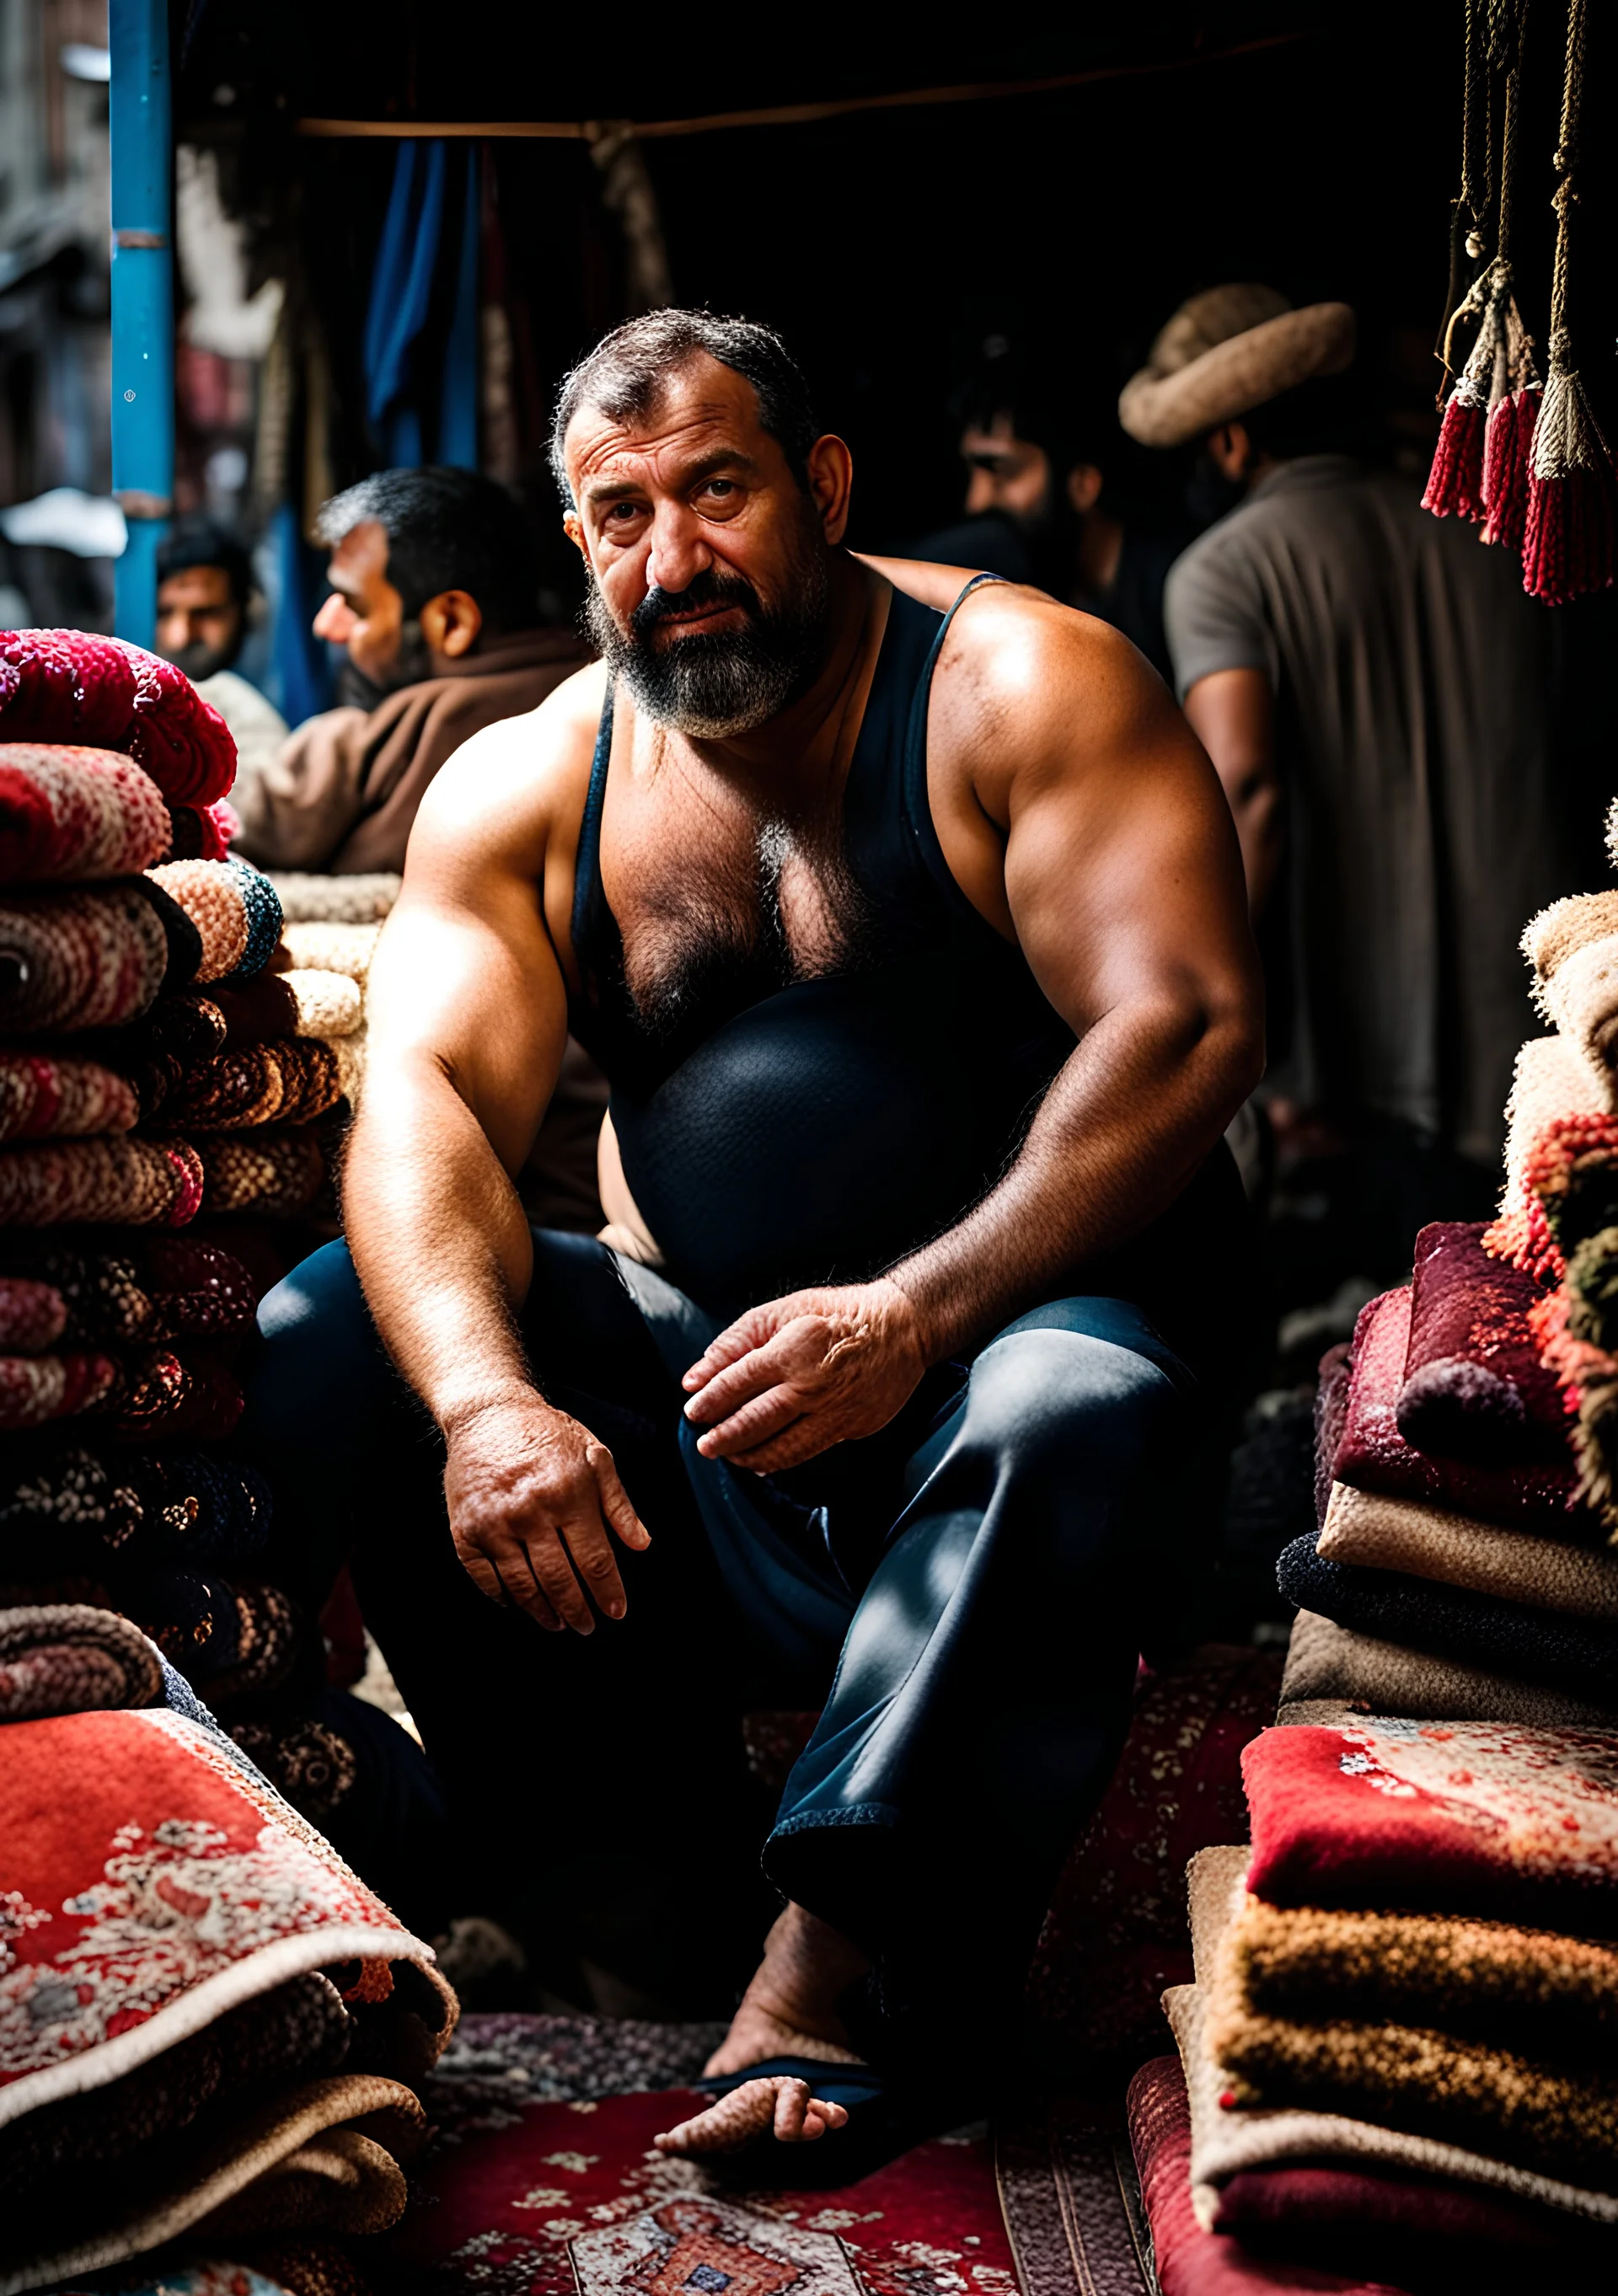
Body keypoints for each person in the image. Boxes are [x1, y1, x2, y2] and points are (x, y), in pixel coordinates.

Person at [248, 308, 1262, 2165]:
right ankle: (484, 1880)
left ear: (823, 485)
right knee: (333, 1326)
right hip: (736, 1417)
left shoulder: (1019, 685)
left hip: (1031, 1393)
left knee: (1058, 1397)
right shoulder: (534, 778)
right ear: (576, 542)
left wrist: (914, 1309)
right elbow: (430, 1109)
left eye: (718, 491)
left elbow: (1185, 1021)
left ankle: (831, 1963)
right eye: (620, 513)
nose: (675, 559)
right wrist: (485, 1403)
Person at [1126, 282, 1599, 1255]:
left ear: (1229, 442)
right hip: (1538, 1017)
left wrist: (1197, 1011)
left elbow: (1243, 792)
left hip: (1365, 1066)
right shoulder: (1488, 532)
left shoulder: (1222, 571)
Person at [231, 465, 588, 873]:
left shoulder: (377, 741)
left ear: (451, 622)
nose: (325, 625)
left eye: (354, 605)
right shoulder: (598, 686)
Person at [912, 351, 1179, 678]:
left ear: (1082, 485)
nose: (976, 502)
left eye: (1003, 473)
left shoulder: (1172, 591)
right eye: (972, 474)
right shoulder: (1031, 590)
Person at [156, 514, 289, 809]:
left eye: (205, 614)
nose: (180, 637)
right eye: (165, 613)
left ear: (246, 612)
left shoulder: (254, 720)